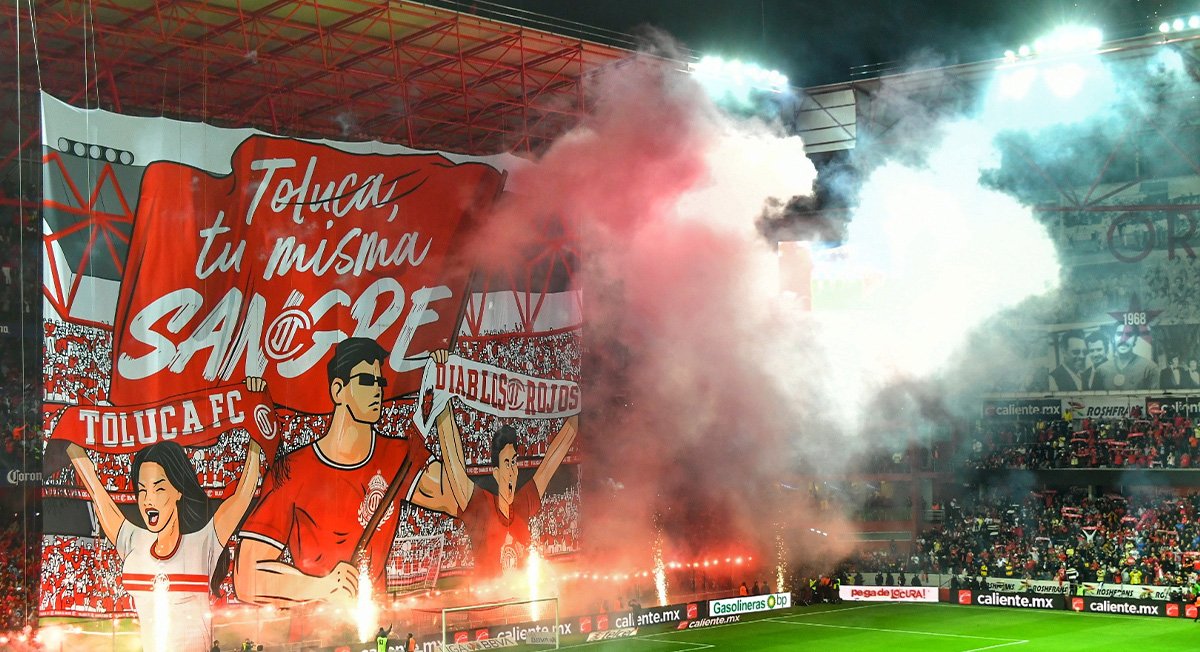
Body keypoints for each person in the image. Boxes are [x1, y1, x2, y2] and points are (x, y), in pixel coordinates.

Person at [234, 338, 461, 608]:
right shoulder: (293, 470)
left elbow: (456, 498)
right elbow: (247, 577)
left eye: (379, 382)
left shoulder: (398, 456)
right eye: (366, 381)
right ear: (338, 390)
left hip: (374, 621)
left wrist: (443, 408)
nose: (376, 390)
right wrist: (322, 586)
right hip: (314, 635)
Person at [68, 380, 264, 652]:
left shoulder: (203, 541)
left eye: (159, 488)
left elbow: (242, 496)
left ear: (178, 492)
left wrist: (257, 428)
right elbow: (98, 493)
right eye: (142, 489)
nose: (148, 498)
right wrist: (69, 437)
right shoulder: (134, 541)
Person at [433, 349, 579, 577]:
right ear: (495, 471)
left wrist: (575, 407)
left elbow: (553, 458)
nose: (512, 469)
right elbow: (453, 461)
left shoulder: (523, 502)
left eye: (515, 462)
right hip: (489, 609)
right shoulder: (480, 505)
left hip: (522, 604)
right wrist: (442, 389)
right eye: (507, 463)